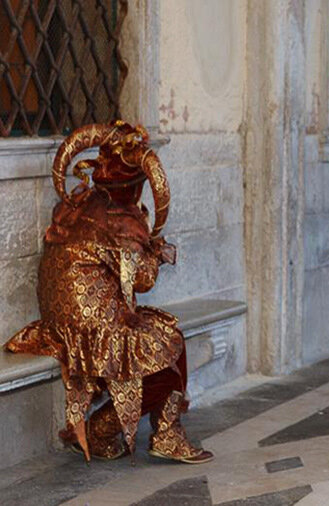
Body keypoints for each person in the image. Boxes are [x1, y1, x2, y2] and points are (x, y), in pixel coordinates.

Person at [5, 121, 213, 464]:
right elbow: (142, 280)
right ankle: (107, 430)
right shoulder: (121, 219)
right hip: (93, 330)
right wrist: (155, 249)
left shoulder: (82, 202)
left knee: (164, 337)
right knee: (168, 348)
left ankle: (163, 432)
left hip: (63, 323)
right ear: (132, 187)